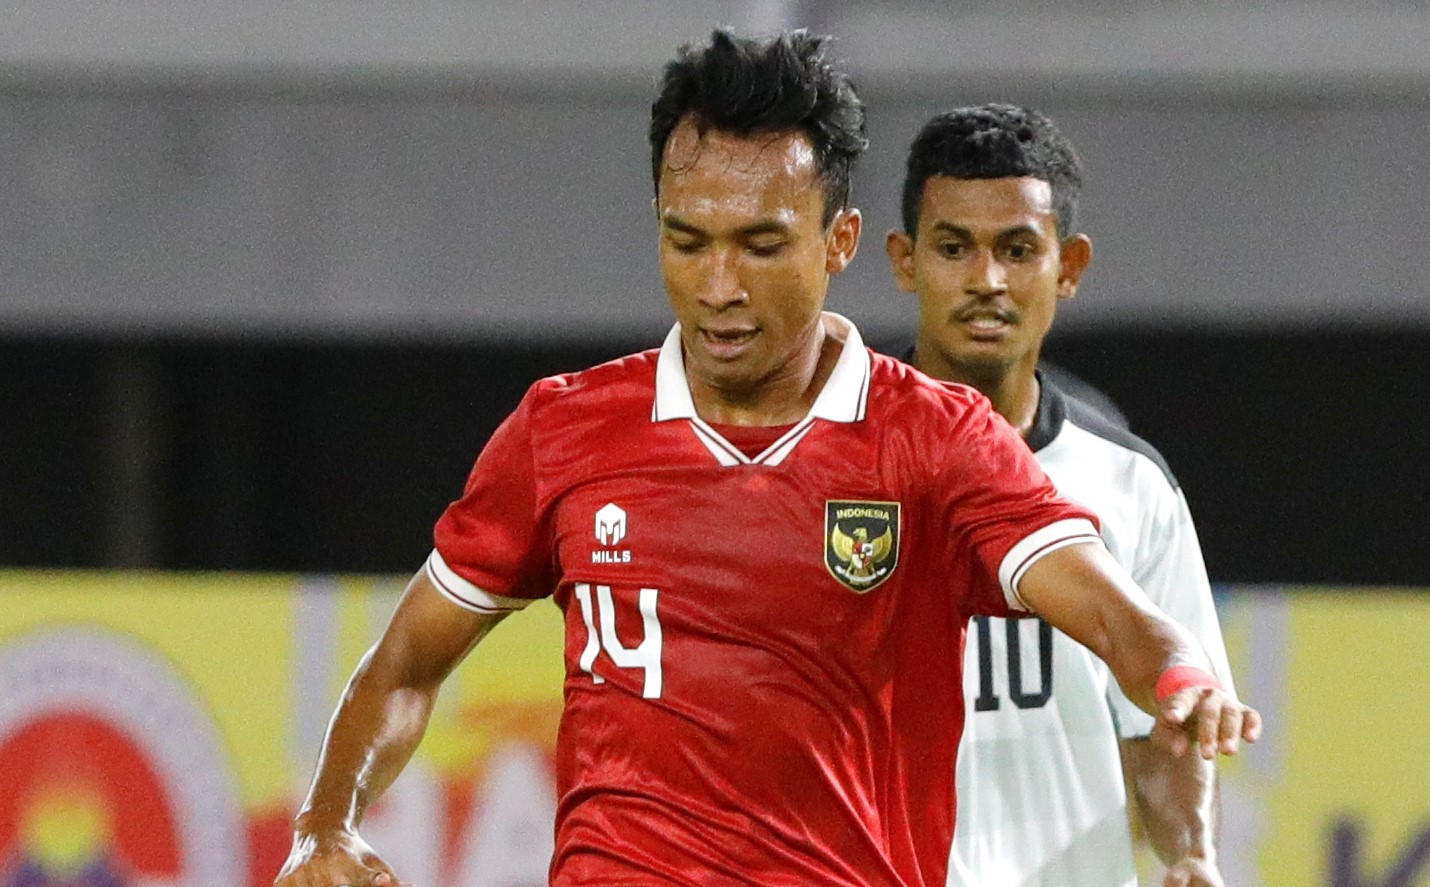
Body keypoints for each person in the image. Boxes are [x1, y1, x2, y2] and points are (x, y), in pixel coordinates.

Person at [275, 33, 1259, 887]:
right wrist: (326, 822)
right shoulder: (564, 429)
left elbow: (1110, 610)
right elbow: (406, 663)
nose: (718, 285)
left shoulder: (937, 438)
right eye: (687, 240)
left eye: (759, 244)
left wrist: (1176, 673)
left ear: (838, 241)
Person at [885, 104, 1235, 887]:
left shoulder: (1130, 484)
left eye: (1017, 250)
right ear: (906, 261)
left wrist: (1191, 851)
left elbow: (1162, 731)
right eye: (954, 248)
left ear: (1068, 266)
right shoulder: (836, 465)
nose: (986, 281)